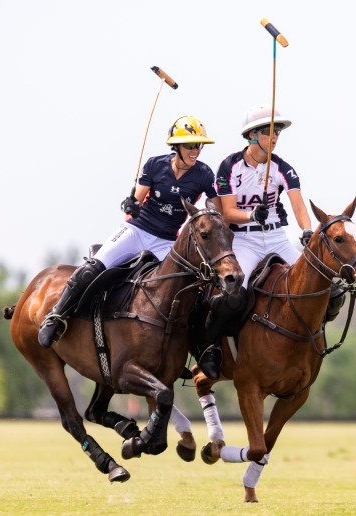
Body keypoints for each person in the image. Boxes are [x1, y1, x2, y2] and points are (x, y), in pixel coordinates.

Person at [37, 115, 221, 351]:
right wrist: (130, 204)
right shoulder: (155, 165)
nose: (196, 150)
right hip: (137, 230)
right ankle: (57, 315)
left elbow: (216, 208)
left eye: (199, 145)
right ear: (176, 146)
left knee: (192, 291)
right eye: (191, 145)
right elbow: (135, 199)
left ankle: (196, 348)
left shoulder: (204, 174)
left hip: (167, 242)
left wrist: (208, 215)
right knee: (92, 268)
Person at [197, 104, 315, 379]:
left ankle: (311, 341)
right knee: (233, 292)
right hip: (244, 239)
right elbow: (227, 213)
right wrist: (251, 214)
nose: (274, 138)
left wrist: (307, 230)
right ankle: (211, 347)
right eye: (268, 132)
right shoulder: (229, 166)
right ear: (252, 136)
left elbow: (298, 205)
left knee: (316, 283)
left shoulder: (283, 168)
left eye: (277, 133)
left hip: (276, 238)